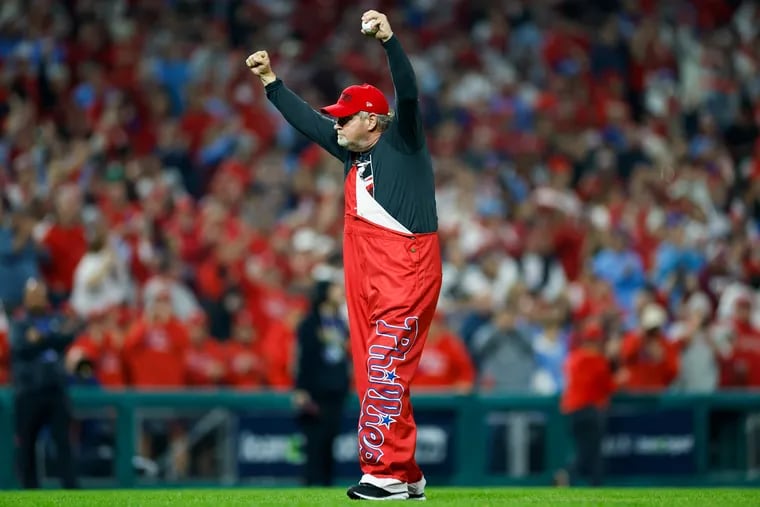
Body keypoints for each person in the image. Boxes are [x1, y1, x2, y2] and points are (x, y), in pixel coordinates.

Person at [247, 9, 441, 500]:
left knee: (383, 369)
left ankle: (387, 475)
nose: (334, 122)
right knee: (376, 374)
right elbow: (309, 123)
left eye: (344, 116)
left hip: (405, 270)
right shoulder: (353, 156)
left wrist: (390, 41)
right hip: (367, 278)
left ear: (372, 120)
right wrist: (272, 83)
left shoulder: (405, 142)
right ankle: (410, 472)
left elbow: (410, 94)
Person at [10, 278, 80, 489]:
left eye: (39, 294)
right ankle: (30, 488)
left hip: (55, 389)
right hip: (29, 390)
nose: (36, 299)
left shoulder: (55, 318)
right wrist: (51, 339)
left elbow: (67, 337)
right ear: (25, 298)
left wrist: (42, 338)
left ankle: (70, 487)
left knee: (63, 441)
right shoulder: (19, 322)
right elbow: (21, 347)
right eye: (32, 295)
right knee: (28, 442)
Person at [293, 278, 350, 487]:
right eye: (336, 289)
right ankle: (310, 482)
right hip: (315, 390)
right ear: (324, 294)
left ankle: (327, 483)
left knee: (331, 439)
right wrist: (300, 388)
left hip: (336, 389)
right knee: (314, 440)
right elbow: (302, 358)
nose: (340, 293)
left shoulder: (341, 322)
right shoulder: (310, 323)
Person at [557, 322, 616, 487]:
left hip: (571, 410)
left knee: (584, 450)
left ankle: (580, 479)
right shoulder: (598, 360)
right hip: (590, 410)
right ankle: (568, 474)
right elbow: (609, 387)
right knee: (592, 452)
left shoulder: (572, 357)